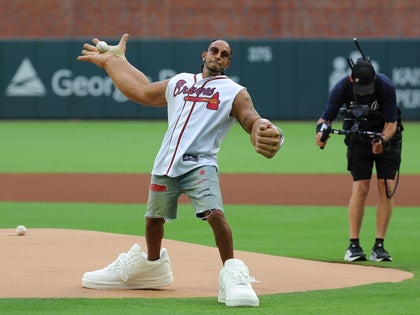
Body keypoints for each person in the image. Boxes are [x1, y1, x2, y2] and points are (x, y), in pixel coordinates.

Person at [77, 34, 284, 307]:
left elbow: (250, 117)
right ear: (204, 55)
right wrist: (114, 63)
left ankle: (232, 273)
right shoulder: (180, 82)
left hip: (201, 164)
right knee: (153, 221)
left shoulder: (233, 91)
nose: (218, 56)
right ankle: (151, 268)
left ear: (228, 62)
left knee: (216, 215)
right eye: (214, 51)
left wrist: (264, 129)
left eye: (224, 54)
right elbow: (141, 89)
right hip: (166, 163)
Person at [315, 57, 402, 262]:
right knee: (361, 186)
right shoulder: (341, 87)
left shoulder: (385, 86)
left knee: (386, 186)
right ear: (352, 79)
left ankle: (379, 246)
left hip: (386, 136)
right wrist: (321, 133)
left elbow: (392, 122)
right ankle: (353, 245)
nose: (365, 91)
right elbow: (325, 118)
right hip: (358, 138)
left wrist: (382, 139)